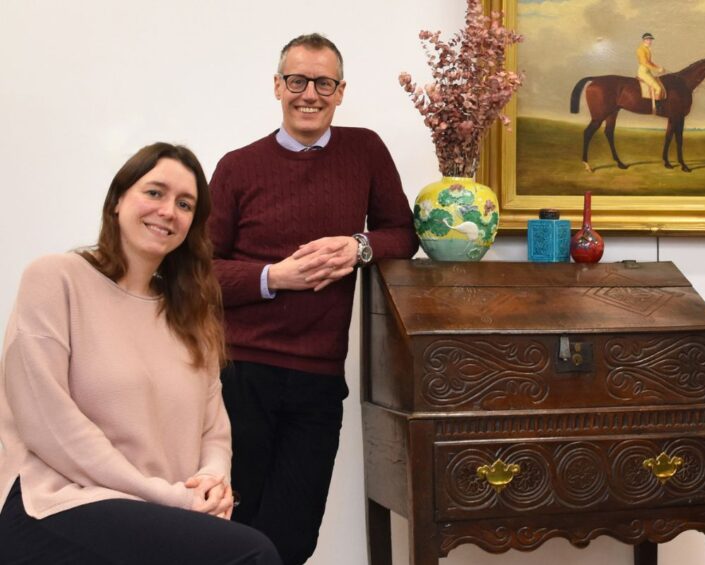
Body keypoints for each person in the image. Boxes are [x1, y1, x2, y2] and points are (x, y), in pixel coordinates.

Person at [0, 143, 281, 564]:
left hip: (157, 509)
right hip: (57, 501)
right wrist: (167, 497)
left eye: (185, 204)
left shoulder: (191, 314)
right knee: (251, 553)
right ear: (117, 200)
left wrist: (212, 480)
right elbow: (48, 423)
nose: (168, 211)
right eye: (154, 192)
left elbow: (214, 430)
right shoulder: (56, 278)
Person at [208, 32, 418, 564]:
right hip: (241, 375)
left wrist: (358, 246)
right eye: (297, 80)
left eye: (324, 83)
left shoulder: (365, 150)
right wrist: (274, 276)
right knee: (233, 527)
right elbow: (198, 273)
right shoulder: (236, 166)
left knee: (295, 537)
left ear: (341, 92)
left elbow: (403, 233)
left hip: (319, 379)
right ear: (277, 86)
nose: (310, 94)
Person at [636, 32, 666, 114]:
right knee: (658, 88)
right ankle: (656, 108)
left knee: (659, 84)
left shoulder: (647, 49)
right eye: (648, 40)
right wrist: (656, 70)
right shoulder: (640, 49)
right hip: (643, 72)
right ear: (644, 40)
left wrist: (658, 67)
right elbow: (645, 63)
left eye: (650, 40)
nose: (650, 41)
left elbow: (650, 62)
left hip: (648, 71)